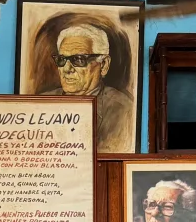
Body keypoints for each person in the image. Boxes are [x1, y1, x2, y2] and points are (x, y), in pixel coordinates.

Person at [47, 23, 132, 153]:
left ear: (103, 65)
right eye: (62, 60)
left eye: (78, 59)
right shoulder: (42, 102)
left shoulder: (123, 110)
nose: (67, 69)